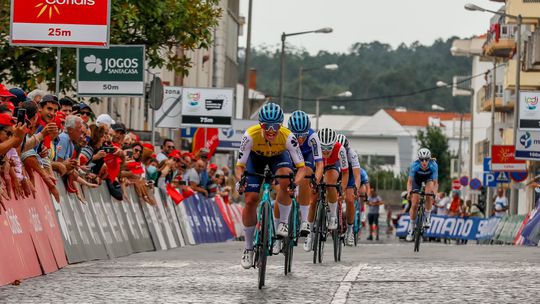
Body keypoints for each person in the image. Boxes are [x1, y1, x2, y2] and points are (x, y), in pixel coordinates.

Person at [235, 102, 306, 269]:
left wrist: (294, 183)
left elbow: (301, 168)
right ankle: (248, 249)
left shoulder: (288, 136)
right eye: (267, 126)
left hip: (278, 157)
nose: (271, 130)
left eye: (275, 126)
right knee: (251, 199)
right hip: (256, 159)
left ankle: (283, 222)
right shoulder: (250, 135)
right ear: (261, 125)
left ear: (281, 125)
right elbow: (240, 167)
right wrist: (240, 180)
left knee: (285, 179)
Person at [283, 111, 324, 248]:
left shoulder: (313, 137)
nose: (300, 139)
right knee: (284, 175)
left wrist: (315, 181)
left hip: (307, 157)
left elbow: (319, 164)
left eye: (303, 135)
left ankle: (305, 221)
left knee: (306, 175)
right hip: (291, 155)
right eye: (297, 135)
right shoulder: (285, 135)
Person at [304, 128, 349, 251]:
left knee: (330, 183)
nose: (325, 151)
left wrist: (343, 190)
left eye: (329, 148)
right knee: (312, 201)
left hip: (332, 166)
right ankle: (309, 234)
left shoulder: (340, 149)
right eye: (323, 148)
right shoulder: (314, 147)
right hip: (317, 165)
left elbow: (345, 173)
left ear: (334, 144)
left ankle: (333, 216)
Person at [405, 147, 438, 242]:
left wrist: (434, 194)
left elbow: (436, 183)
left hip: (429, 178)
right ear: (418, 159)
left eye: (427, 159)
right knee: (414, 204)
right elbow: (410, 182)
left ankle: (427, 217)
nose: (424, 162)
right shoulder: (414, 165)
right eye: (422, 159)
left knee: (429, 194)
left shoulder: (434, 165)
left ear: (429, 159)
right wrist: (409, 192)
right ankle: (411, 228)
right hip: (417, 179)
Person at [336, 133, 362, 246]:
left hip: (349, 173)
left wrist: (356, 188)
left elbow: (357, 176)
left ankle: (350, 230)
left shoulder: (352, 154)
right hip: (337, 171)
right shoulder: (332, 150)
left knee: (350, 200)